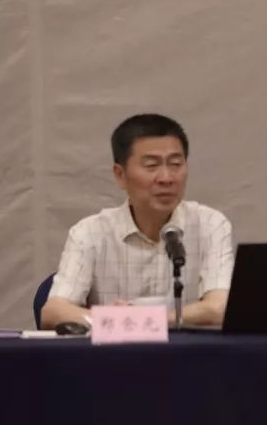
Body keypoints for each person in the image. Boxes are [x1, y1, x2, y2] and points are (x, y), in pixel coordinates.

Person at [40, 114, 234, 329]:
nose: (166, 178)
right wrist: (116, 320)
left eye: (176, 164)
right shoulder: (90, 233)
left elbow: (221, 307)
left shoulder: (210, 225)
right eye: (151, 166)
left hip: (189, 351)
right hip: (115, 350)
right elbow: (53, 312)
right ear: (120, 175)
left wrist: (148, 320)